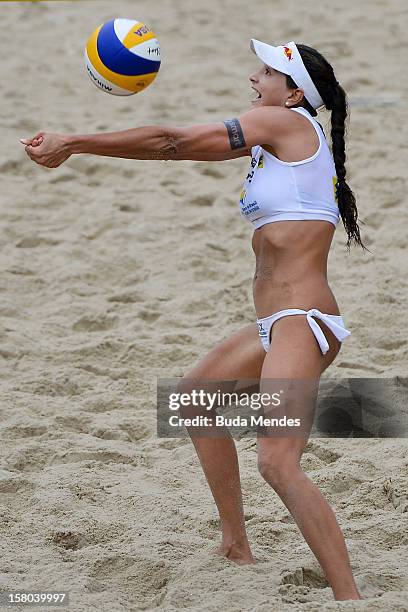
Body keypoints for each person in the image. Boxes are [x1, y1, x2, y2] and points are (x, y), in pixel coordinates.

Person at [21, 38, 364, 601]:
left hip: (303, 320)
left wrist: (77, 142)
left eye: (267, 71)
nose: (254, 76)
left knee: (277, 463)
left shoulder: (285, 123)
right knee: (196, 398)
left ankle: (349, 596)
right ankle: (235, 544)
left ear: (295, 91)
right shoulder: (279, 139)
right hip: (279, 322)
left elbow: (171, 141)